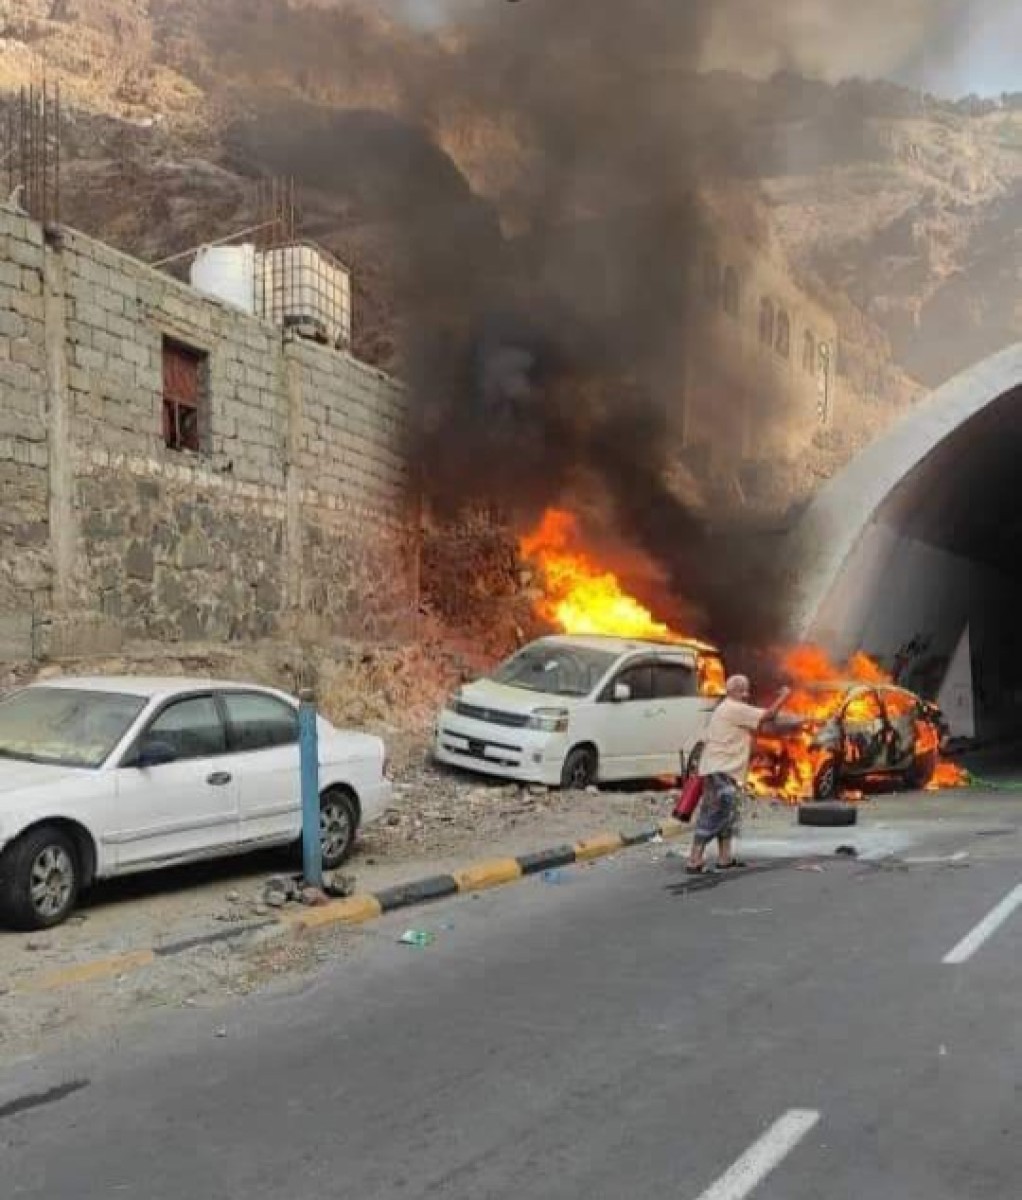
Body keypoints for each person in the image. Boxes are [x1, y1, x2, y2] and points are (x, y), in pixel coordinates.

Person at [686, 675, 792, 874]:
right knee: (714, 814)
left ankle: (724, 859)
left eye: (747, 690)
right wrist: (784, 697)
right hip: (720, 770)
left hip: (722, 769)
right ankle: (694, 859)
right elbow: (768, 716)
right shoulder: (734, 708)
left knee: (727, 814)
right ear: (734, 691)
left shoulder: (729, 708)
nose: (747, 694)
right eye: (744, 690)